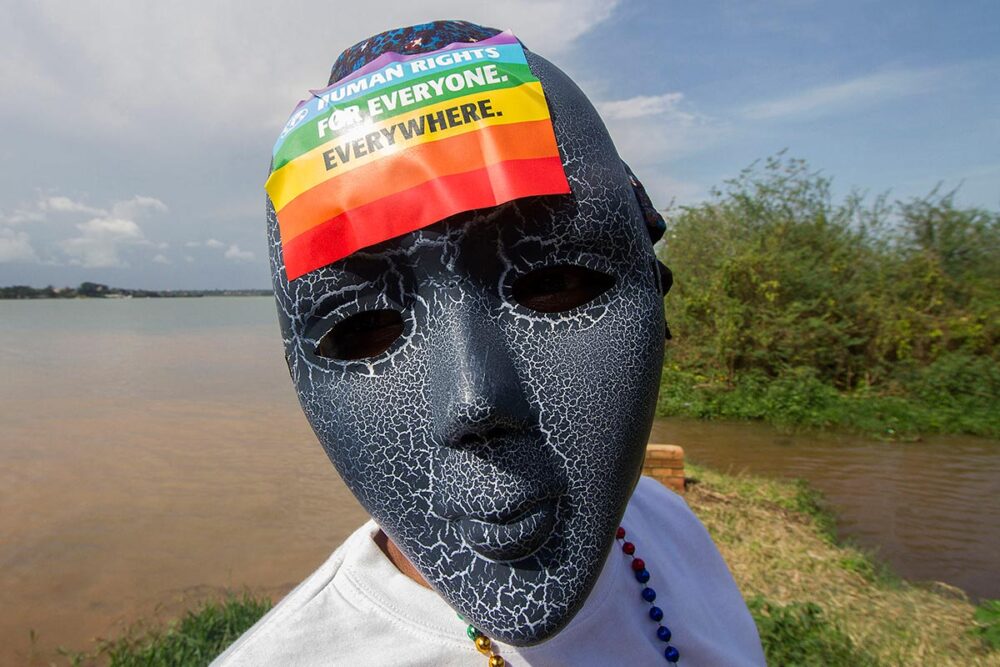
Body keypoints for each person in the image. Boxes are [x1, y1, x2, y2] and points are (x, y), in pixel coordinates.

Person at [214, 20, 765, 666]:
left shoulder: (670, 530)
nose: (473, 401)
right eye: (364, 326)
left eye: (555, 283)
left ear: (655, 284)